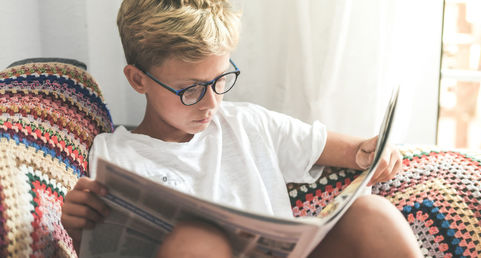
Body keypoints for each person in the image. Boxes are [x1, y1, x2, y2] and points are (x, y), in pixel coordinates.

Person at [61, 0, 422, 257]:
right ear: (138, 80)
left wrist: (373, 152)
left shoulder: (248, 123)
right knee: (198, 242)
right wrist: (75, 225)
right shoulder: (113, 153)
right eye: (191, 90)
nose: (211, 103)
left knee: (372, 215)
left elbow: (354, 150)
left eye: (220, 80)